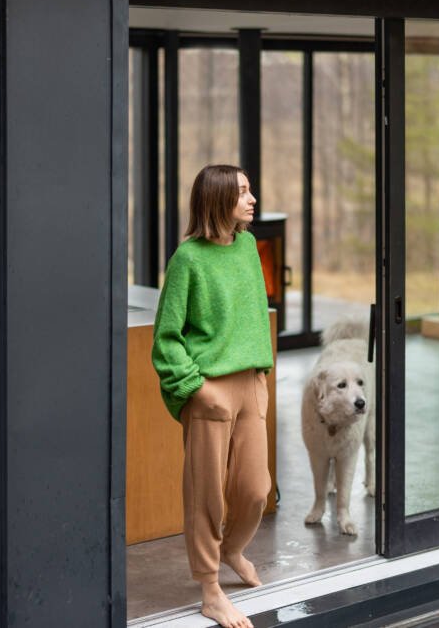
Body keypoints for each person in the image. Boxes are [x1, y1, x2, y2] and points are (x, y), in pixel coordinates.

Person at [151, 164, 274, 628]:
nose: (252, 198)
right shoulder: (189, 259)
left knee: (255, 490)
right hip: (211, 390)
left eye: (250, 190)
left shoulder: (245, 247)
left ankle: (233, 551)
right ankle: (209, 589)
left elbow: (251, 316)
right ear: (218, 200)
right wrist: (196, 390)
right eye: (242, 191)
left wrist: (260, 371)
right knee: (207, 497)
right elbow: (166, 337)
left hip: (250, 384)